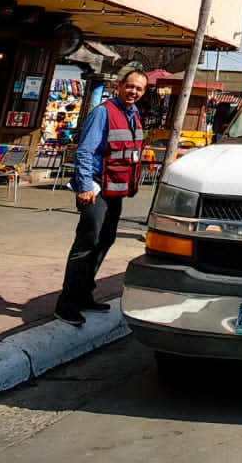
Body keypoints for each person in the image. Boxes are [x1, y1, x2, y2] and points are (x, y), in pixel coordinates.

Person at [55, 65, 147, 326]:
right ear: (119, 86)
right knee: (87, 242)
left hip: (115, 189)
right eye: (130, 87)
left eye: (139, 89)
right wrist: (84, 186)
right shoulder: (103, 113)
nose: (133, 92)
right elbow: (85, 151)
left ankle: (84, 294)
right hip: (95, 187)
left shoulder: (134, 114)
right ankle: (67, 303)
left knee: (105, 240)